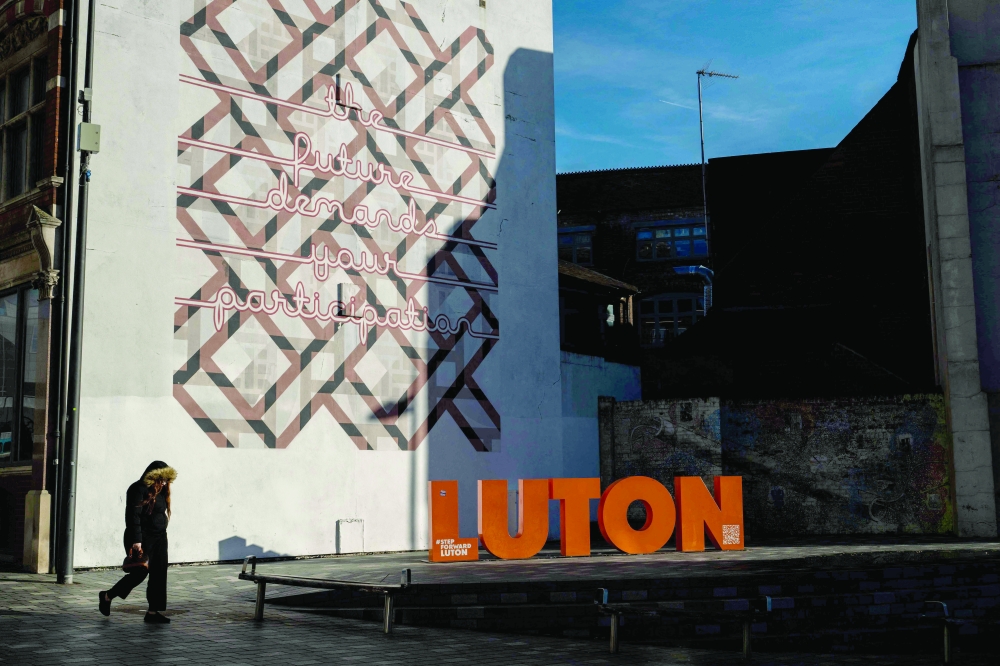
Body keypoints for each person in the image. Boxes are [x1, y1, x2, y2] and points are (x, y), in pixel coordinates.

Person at [99, 461, 178, 623]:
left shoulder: (161, 490)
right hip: (141, 538)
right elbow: (132, 516)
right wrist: (136, 541)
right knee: (139, 573)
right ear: (153, 476)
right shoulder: (137, 489)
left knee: (159, 573)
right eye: (161, 479)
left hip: (160, 538)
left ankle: (153, 612)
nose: (163, 483)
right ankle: (107, 596)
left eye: (165, 480)